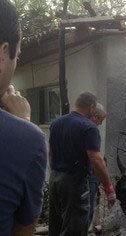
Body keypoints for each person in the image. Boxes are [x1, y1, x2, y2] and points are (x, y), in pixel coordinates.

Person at [0, 0, 48, 235]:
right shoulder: (27, 140)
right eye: (16, 55)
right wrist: (24, 124)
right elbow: (23, 230)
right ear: (2, 53)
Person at [49, 92, 116, 236]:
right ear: (92, 107)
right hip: (74, 183)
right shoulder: (88, 127)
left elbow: (51, 153)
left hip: (55, 179)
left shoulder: (56, 123)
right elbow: (96, 160)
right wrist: (109, 189)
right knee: (75, 228)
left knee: (56, 225)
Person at [88, 103, 107, 226]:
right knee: (86, 214)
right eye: (101, 120)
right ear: (95, 116)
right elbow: (95, 159)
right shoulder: (91, 130)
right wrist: (108, 186)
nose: (100, 123)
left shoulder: (62, 124)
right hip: (88, 179)